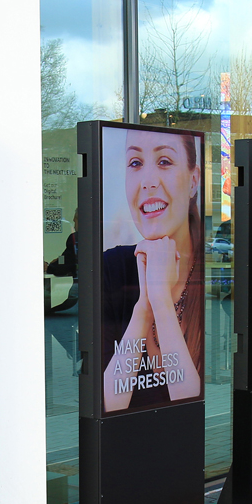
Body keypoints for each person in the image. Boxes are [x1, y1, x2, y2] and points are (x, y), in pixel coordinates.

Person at [100, 129, 204, 412]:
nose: (148, 182)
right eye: (135, 163)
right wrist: (144, 308)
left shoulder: (206, 271)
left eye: (164, 162)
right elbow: (107, 404)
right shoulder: (113, 268)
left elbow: (189, 406)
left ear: (194, 180)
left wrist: (160, 299)